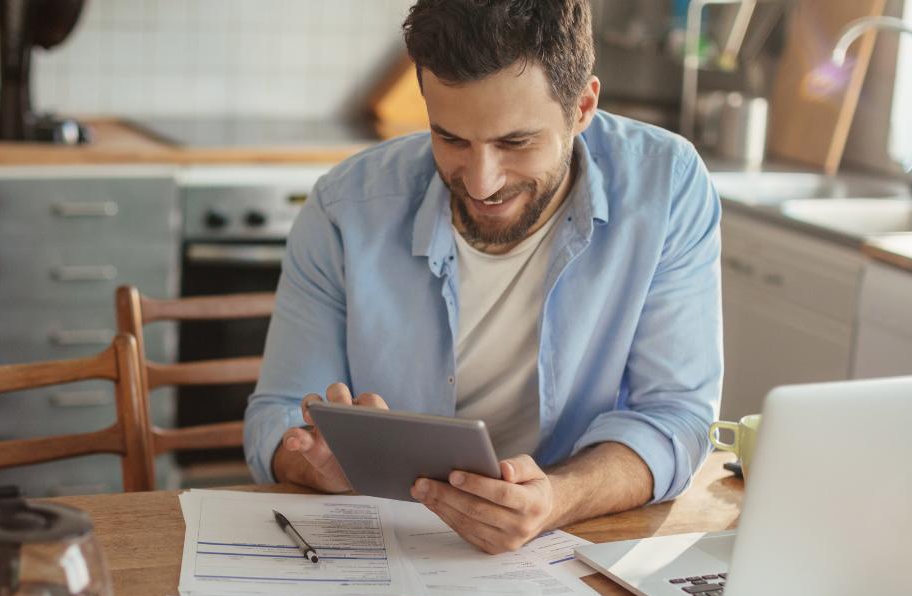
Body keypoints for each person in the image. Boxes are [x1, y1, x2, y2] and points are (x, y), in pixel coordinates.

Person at [244, 0, 722, 555]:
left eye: (515, 143)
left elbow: (676, 416)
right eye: (450, 139)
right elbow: (276, 415)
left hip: (574, 543)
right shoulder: (345, 207)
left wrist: (559, 498)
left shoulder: (667, 185)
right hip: (390, 541)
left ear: (584, 105)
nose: (480, 181)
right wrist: (317, 464)